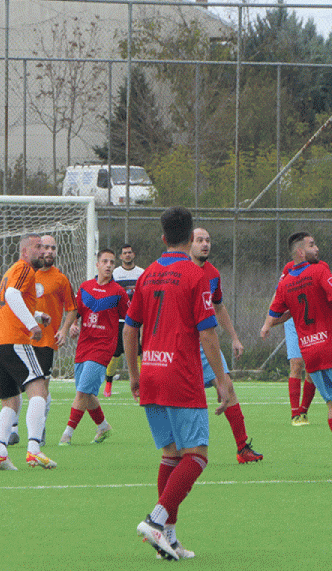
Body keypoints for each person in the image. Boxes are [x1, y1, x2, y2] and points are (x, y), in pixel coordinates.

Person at [124, 206, 230, 561]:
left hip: (151, 371)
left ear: (164, 237)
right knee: (197, 456)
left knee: (171, 454)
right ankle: (156, 520)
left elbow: (129, 328)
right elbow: (208, 332)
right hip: (180, 375)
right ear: (189, 237)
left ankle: (168, 537)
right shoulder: (195, 275)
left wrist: (134, 373)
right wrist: (222, 378)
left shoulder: (147, 274)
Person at [260, 231, 332, 476]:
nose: (317, 248)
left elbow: (275, 315)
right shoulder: (320, 269)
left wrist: (267, 326)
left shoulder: (285, 282)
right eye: (312, 245)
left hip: (309, 351)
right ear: (301, 252)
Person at [190, 228, 263, 463]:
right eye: (200, 240)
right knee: (186, 397)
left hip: (207, 342)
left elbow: (218, 307)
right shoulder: (181, 271)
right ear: (189, 243)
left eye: (208, 240)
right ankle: (181, 451)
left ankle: (243, 449)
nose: (205, 244)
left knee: (227, 386)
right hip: (182, 344)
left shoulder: (212, 274)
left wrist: (234, 337)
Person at [0, 233, 56, 470]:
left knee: (11, 401)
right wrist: (32, 325)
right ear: (25, 251)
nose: (44, 251)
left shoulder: (11, 272)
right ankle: (34, 449)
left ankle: (0, 452)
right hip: (14, 340)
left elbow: (10, 303)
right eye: (38, 247)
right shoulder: (25, 268)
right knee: (39, 391)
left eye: (46, 247)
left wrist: (37, 315)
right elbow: (12, 296)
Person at [8, 234, 77, 446]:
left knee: (41, 388)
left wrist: (65, 329)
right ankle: (13, 428)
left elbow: (72, 308)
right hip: (22, 338)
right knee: (16, 385)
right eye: (44, 247)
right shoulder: (26, 273)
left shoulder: (60, 279)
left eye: (52, 248)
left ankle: (39, 428)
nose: (48, 251)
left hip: (46, 342)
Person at [59, 249, 129, 445]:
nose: (108, 265)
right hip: (84, 345)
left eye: (112, 262)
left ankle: (67, 434)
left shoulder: (118, 293)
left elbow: (131, 318)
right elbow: (76, 312)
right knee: (86, 393)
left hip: (103, 347)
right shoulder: (85, 288)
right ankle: (103, 426)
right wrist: (72, 325)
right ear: (97, 264)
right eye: (105, 261)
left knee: (81, 393)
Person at [269, 258, 317, 425]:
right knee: (296, 364)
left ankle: (304, 411)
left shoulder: (317, 267)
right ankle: (294, 413)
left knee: (312, 367)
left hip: (313, 321)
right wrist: (270, 319)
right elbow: (279, 292)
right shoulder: (289, 267)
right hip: (292, 320)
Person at [105, 243, 144, 397]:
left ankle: (142, 384)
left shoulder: (141, 273)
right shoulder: (115, 273)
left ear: (133, 254)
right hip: (119, 320)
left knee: (139, 352)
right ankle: (108, 384)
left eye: (130, 252)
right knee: (115, 354)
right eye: (124, 253)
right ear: (120, 256)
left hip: (137, 320)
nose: (127, 255)